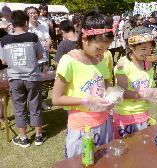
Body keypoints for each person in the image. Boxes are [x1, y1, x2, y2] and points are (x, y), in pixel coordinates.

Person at [52, 10, 115, 158]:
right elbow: (56, 99)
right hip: (82, 127)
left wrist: (112, 96)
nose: (102, 53)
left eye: (106, 49)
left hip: (104, 122)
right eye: (98, 48)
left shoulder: (102, 58)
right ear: (85, 39)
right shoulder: (68, 61)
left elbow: (106, 86)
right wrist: (87, 100)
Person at [0, 10, 44, 148]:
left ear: (12, 23)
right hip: (32, 77)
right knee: (35, 106)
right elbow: (39, 56)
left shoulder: (4, 40)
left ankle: (23, 138)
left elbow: (3, 60)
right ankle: (38, 136)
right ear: (26, 22)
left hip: (15, 78)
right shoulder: (33, 37)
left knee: (19, 108)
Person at [113, 26, 157, 138]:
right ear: (131, 47)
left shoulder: (148, 64)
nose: (147, 52)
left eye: (149, 48)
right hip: (126, 115)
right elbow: (121, 92)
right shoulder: (123, 64)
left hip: (143, 114)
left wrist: (155, 94)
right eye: (143, 49)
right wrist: (144, 95)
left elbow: (150, 87)